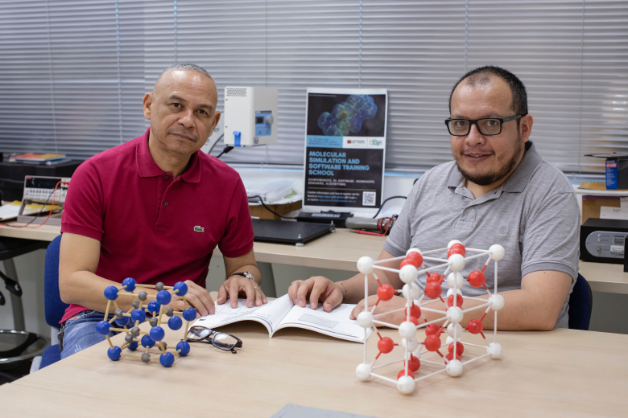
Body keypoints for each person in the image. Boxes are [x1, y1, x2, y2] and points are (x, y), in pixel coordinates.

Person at [288, 65, 579, 330]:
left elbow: (540, 308)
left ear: (524, 128)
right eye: (460, 124)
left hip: (503, 353)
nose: (472, 139)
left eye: (491, 124)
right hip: (414, 347)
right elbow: (387, 276)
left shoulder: (551, 192)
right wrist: (339, 289)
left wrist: (420, 312)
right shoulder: (431, 182)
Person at [58, 63, 267, 358]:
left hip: (184, 320)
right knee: (102, 392)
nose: (187, 120)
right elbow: (71, 284)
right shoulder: (95, 174)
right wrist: (157, 300)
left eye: (202, 113)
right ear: (148, 106)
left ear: (213, 122)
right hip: (100, 317)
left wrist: (242, 278)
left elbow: (246, 267)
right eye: (176, 105)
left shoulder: (227, 183)